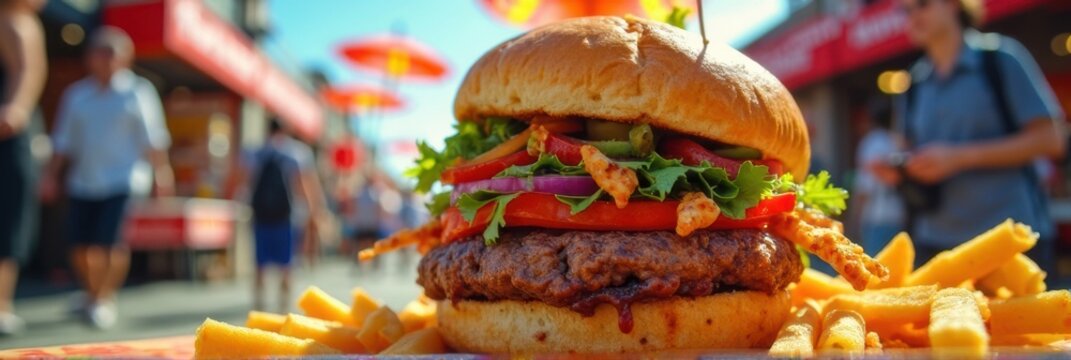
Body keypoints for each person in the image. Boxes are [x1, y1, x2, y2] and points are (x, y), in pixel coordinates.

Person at [870, 0, 1066, 269]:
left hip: (1009, 241)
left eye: (922, 5)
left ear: (953, 5)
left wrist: (960, 158)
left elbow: (1051, 140)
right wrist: (899, 169)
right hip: (936, 244)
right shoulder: (912, 83)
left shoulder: (1000, 59)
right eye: (906, 10)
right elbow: (910, 151)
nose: (913, 16)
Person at [40, 27, 174, 329]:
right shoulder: (76, 95)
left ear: (125, 58)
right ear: (90, 57)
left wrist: (162, 176)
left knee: (110, 244)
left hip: (123, 181)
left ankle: (103, 299)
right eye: (100, 51)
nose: (106, 58)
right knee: (78, 246)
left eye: (112, 52)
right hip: (82, 181)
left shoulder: (139, 92)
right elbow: (62, 142)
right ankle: (91, 294)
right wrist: (50, 176)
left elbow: (154, 139)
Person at [241, 118, 328, 313]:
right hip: (287, 215)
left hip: (260, 214)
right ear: (285, 131)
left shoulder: (256, 152)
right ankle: (284, 305)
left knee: (259, 262)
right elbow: (304, 184)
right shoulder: (296, 152)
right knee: (287, 262)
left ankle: (258, 305)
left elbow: (244, 180)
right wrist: (315, 210)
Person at [0, 0, 46, 335]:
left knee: (7, 223)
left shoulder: (17, 21)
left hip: (9, 139)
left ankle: (2, 304)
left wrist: (14, 110)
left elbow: (29, 71)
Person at [854, 100, 906, 254]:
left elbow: (865, 188)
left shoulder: (871, 143)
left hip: (876, 217)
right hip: (898, 214)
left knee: (875, 268)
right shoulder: (898, 141)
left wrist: (855, 219)